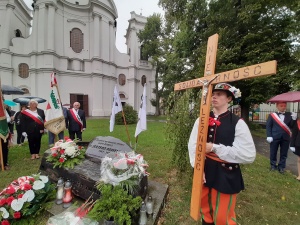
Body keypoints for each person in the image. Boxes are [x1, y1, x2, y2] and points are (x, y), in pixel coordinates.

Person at [188, 83, 256, 225]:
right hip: (205, 169)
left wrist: (215, 148)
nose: (214, 96)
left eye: (219, 94)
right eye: (213, 94)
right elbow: (193, 144)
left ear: (229, 98)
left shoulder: (238, 123)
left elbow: (248, 154)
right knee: (205, 212)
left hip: (226, 173)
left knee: (223, 216)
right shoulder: (201, 120)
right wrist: (197, 167)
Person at [266, 102, 296, 173]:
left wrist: (294, 119)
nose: (283, 107)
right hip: (274, 137)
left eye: (284, 106)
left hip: (285, 137)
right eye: (281, 106)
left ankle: (281, 167)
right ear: (277, 106)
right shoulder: (272, 115)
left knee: (284, 153)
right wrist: (269, 135)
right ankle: (273, 165)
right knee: (273, 152)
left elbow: (292, 126)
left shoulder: (289, 115)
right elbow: (268, 126)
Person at [289, 112, 300, 181]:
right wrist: (292, 144)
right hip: (299, 143)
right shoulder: (298, 122)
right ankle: (299, 175)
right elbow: (294, 133)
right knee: (299, 160)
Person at [1, 104, 12, 170]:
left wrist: (2, 121)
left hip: (3, 131)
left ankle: (4, 163)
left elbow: (8, 118)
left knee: (4, 148)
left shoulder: (3, 109)